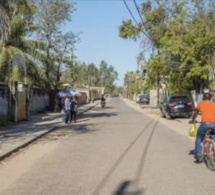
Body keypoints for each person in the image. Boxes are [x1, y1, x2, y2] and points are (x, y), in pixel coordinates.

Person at [189, 92, 215, 162]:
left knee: (199, 137)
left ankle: (198, 155)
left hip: (205, 124)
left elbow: (195, 113)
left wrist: (192, 120)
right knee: (213, 135)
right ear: (210, 98)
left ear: (203, 97)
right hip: (214, 124)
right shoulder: (213, 104)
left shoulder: (200, 103)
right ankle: (213, 146)